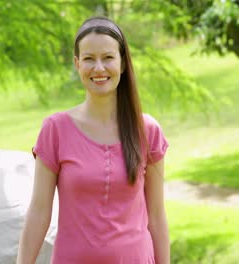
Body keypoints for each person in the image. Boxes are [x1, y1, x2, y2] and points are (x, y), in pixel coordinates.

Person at [17, 16, 170, 263]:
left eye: (108, 57)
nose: (98, 68)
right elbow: (39, 212)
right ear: (77, 64)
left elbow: (157, 215)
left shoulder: (148, 130)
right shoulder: (55, 129)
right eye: (89, 59)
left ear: (122, 64)